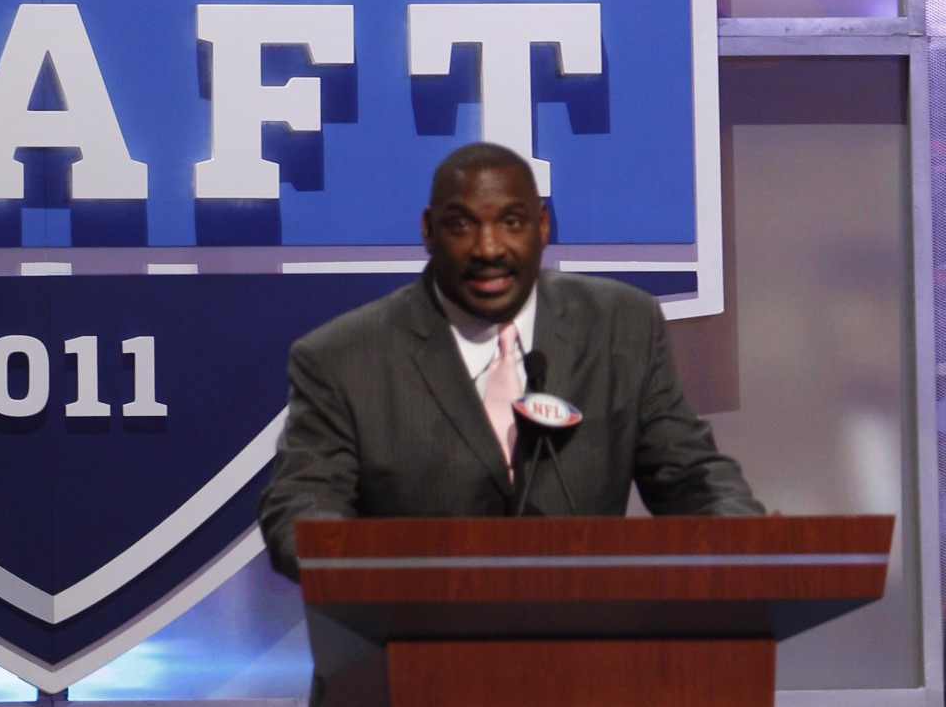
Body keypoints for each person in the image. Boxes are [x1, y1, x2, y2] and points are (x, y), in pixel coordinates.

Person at [258, 141, 762, 581]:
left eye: (512, 222)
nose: (489, 248)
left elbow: (691, 476)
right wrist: (375, 572)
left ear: (542, 226)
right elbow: (302, 505)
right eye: (462, 225)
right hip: (406, 666)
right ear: (429, 231)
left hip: (586, 665)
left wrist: (752, 547)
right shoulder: (342, 358)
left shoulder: (620, 327)